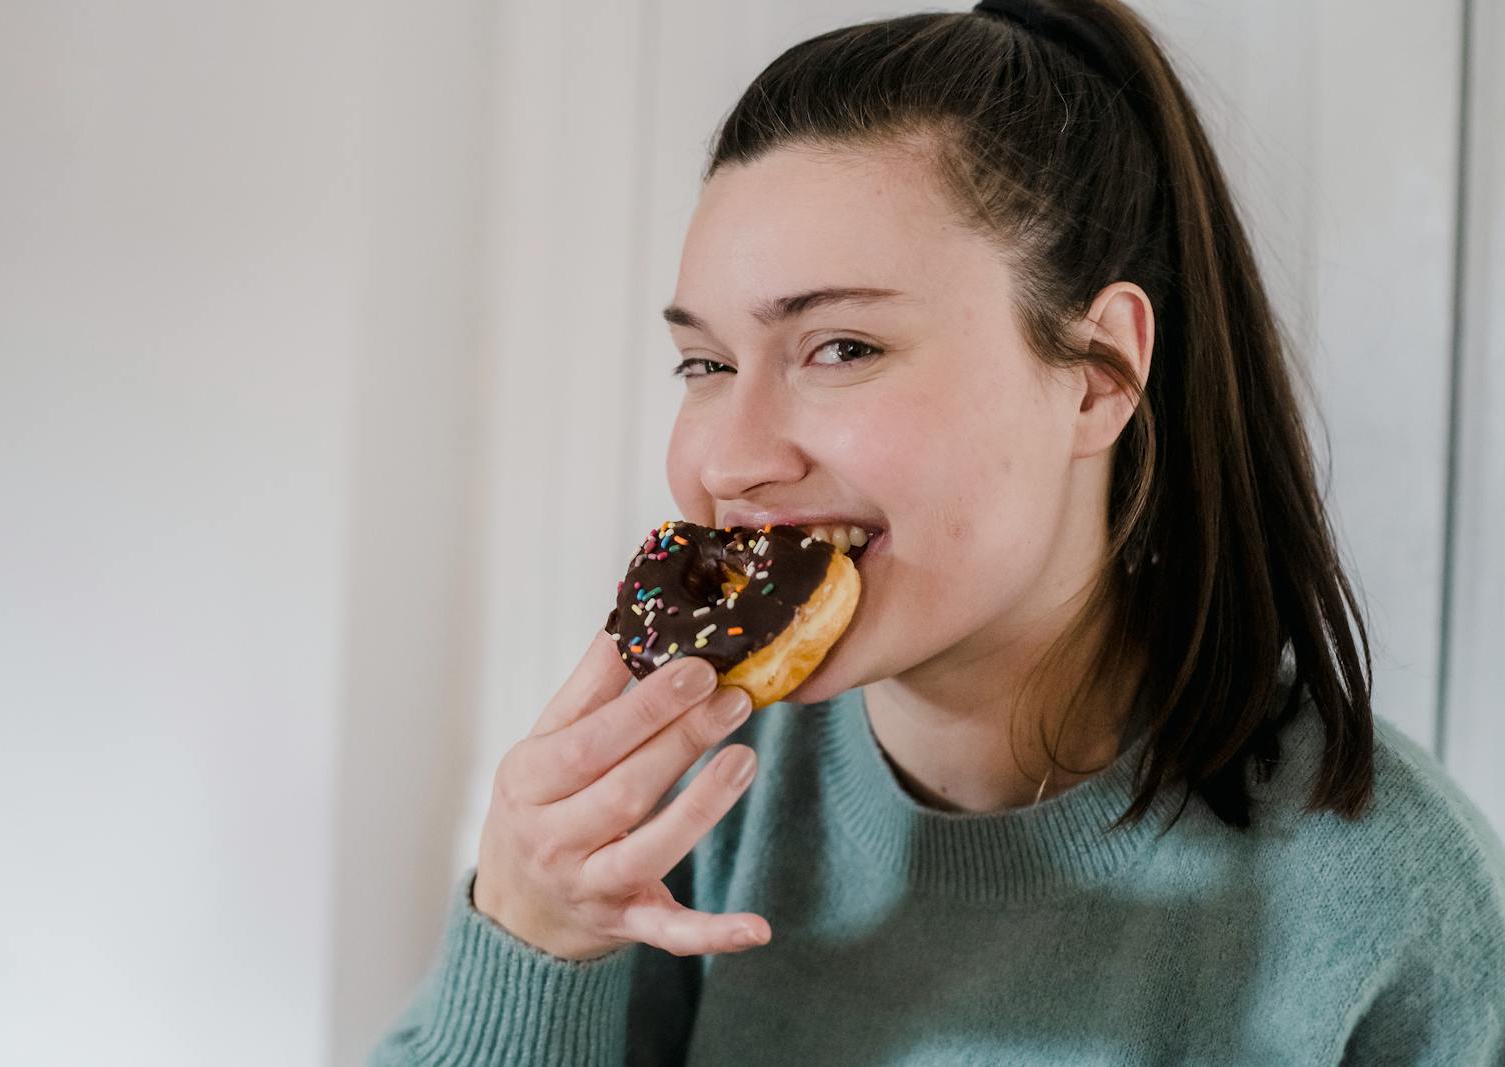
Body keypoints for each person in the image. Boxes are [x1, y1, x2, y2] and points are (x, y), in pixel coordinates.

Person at [371, 1, 1505, 1062]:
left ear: (1099, 374)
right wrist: (526, 934)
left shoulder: (1392, 897)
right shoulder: (691, 798)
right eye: (705, 364)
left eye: (840, 348)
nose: (727, 458)